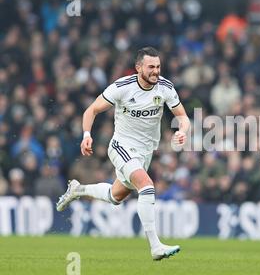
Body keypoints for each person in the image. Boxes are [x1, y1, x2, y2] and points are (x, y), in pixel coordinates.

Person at [56, 47, 190, 261]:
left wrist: (182, 131)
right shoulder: (122, 87)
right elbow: (91, 110)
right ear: (138, 68)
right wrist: (86, 134)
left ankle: (77, 189)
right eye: (151, 67)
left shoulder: (165, 87)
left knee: (115, 196)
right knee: (146, 186)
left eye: (158, 67)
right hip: (122, 146)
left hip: (145, 152)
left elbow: (182, 116)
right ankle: (155, 247)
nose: (156, 71)